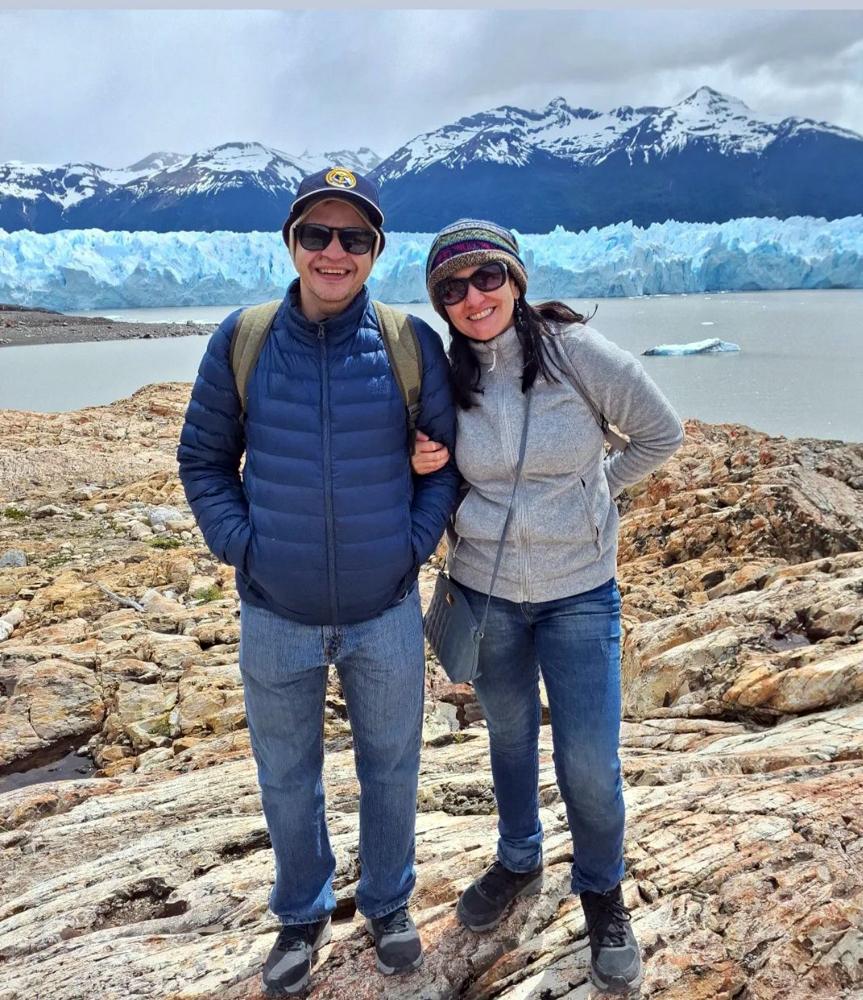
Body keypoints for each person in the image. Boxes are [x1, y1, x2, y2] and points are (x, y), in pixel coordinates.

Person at [177, 168, 459, 997]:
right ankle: (301, 912)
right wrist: (243, 548)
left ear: (375, 251)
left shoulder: (410, 344)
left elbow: (444, 463)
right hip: (276, 611)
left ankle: (389, 902)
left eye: (354, 238)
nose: (334, 253)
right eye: (317, 235)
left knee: (392, 764)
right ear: (292, 242)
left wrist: (411, 544)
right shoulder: (246, 337)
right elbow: (202, 459)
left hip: (384, 610)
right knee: (285, 772)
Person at [414, 219, 684, 995]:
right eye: (452, 289)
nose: (472, 298)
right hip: (483, 591)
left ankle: (601, 889)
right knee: (507, 734)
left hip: (577, 593)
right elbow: (422, 460)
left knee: (589, 763)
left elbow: (658, 434)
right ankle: (518, 856)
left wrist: (593, 497)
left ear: (516, 278)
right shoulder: (444, 373)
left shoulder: (573, 352)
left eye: (486, 277)